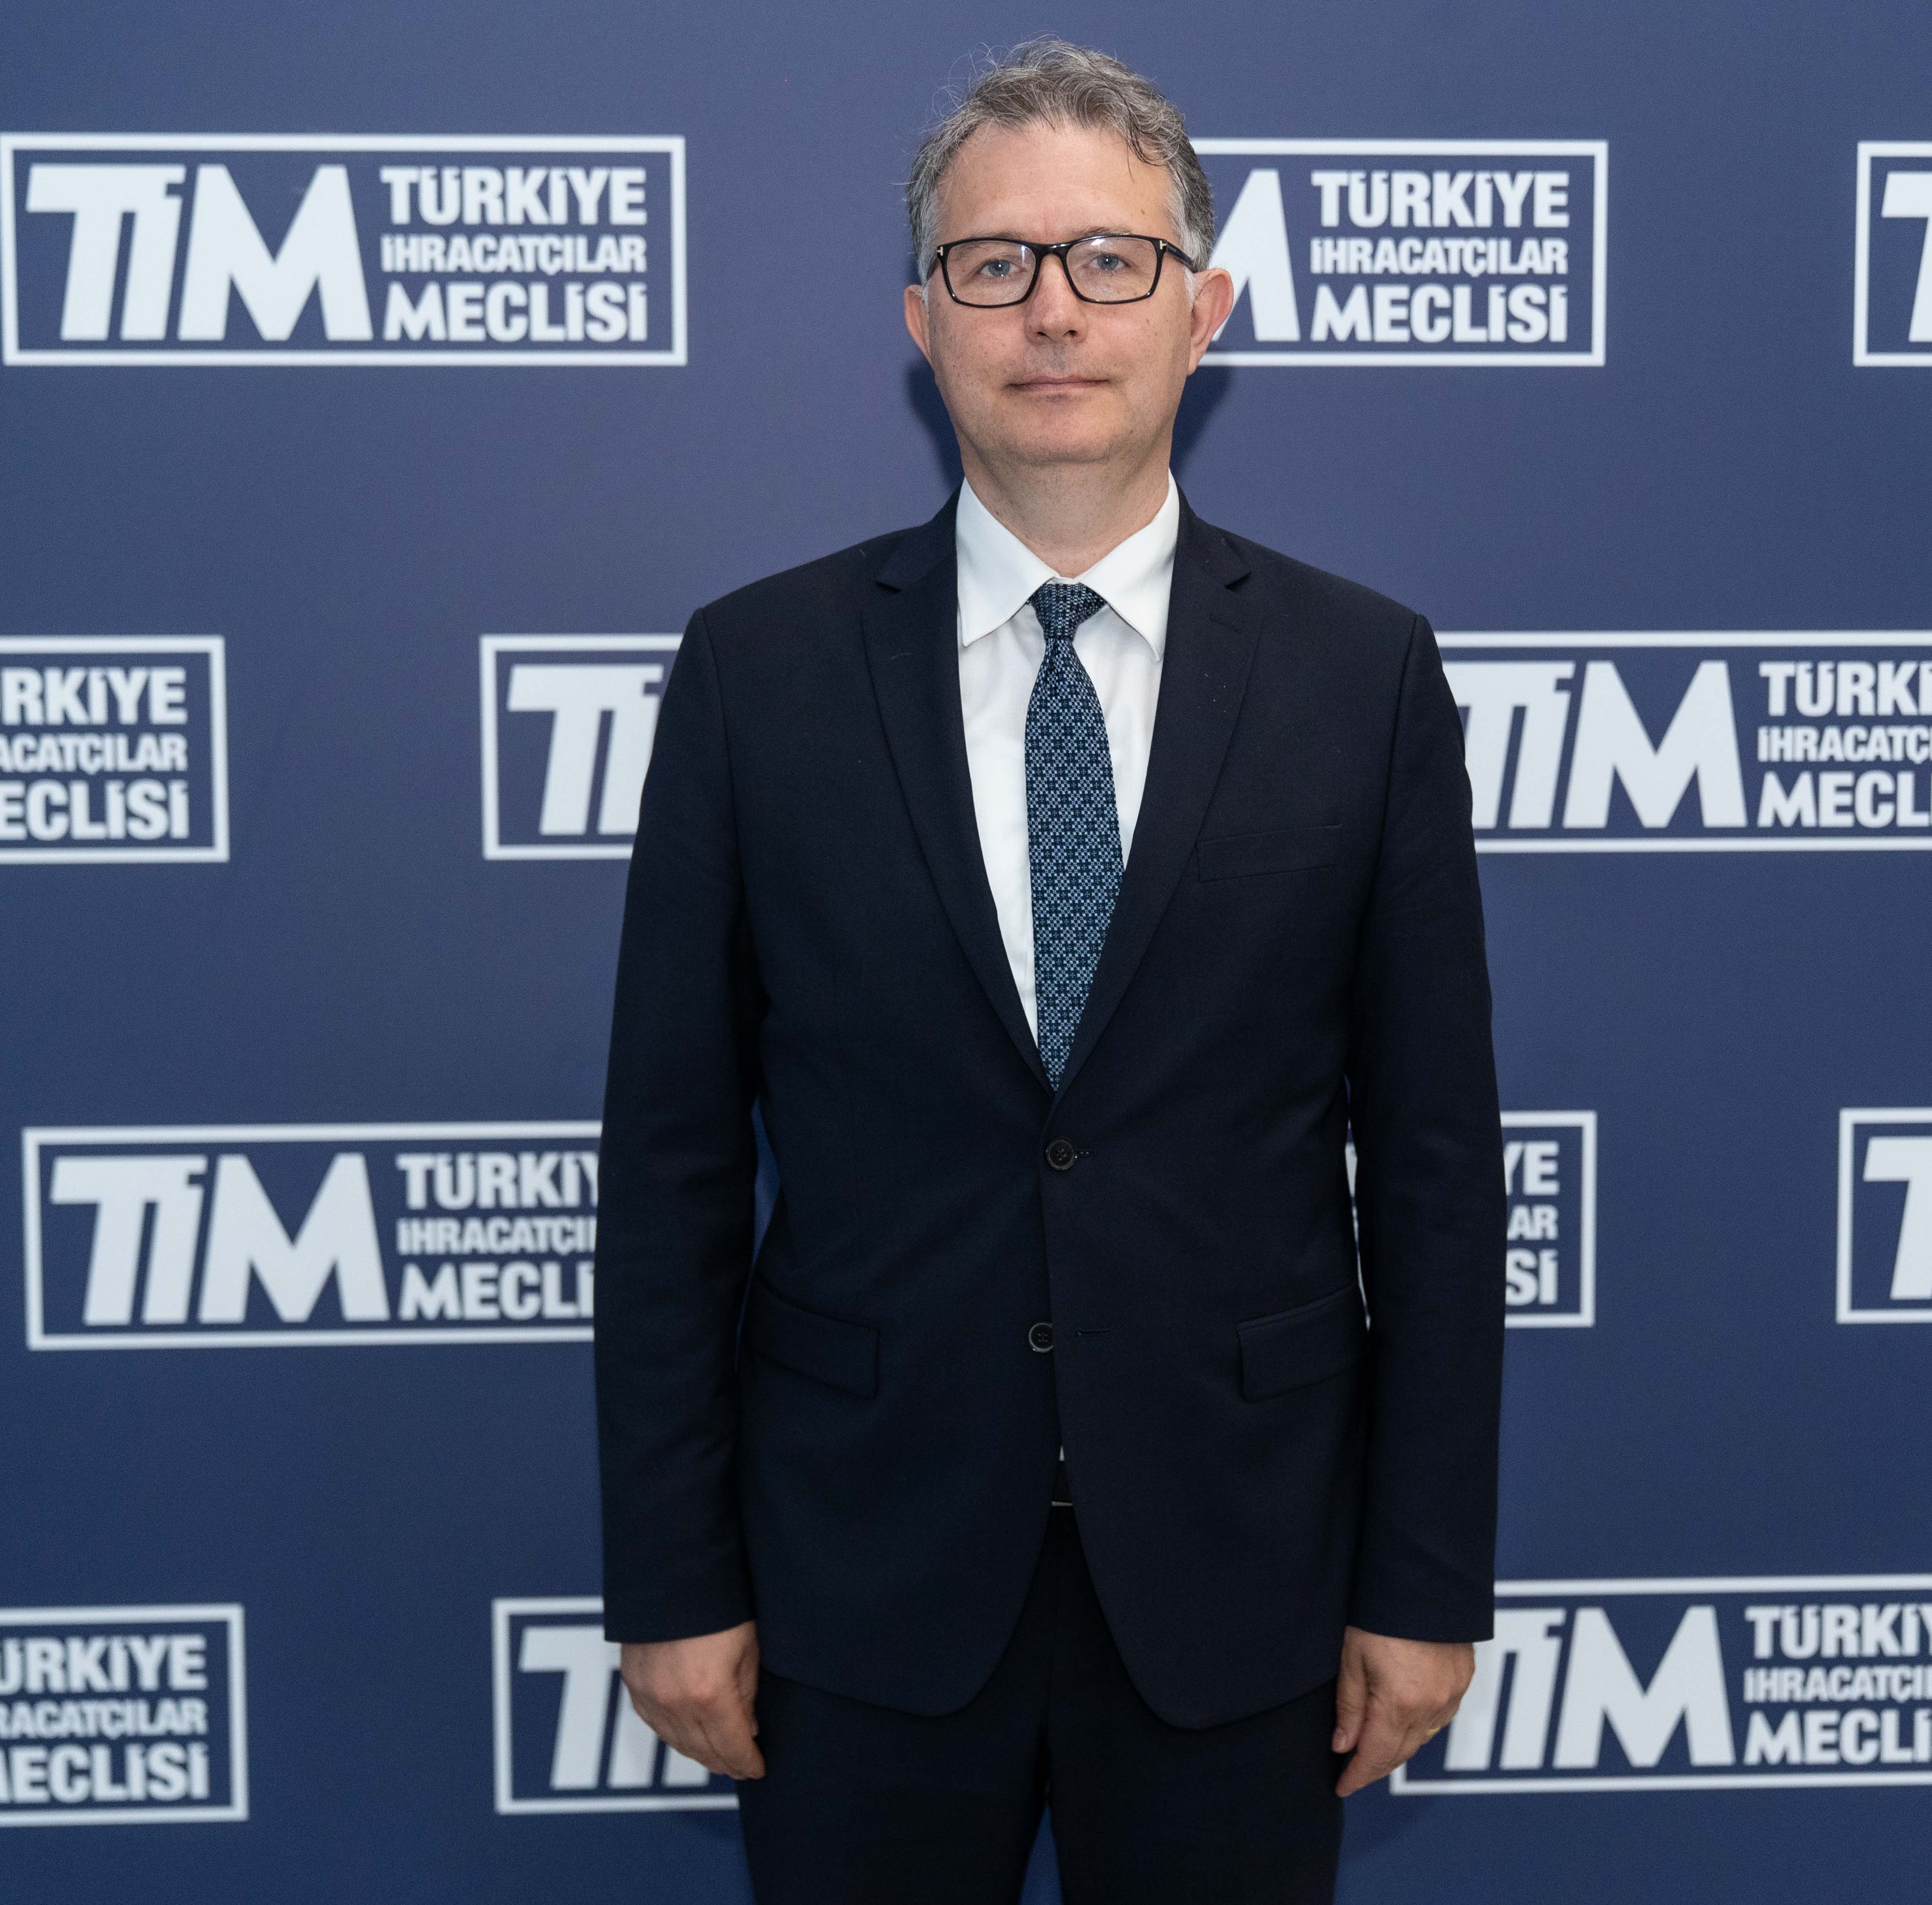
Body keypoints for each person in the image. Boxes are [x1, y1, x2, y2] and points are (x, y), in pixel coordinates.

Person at [593, 37, 1504, 1904]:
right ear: (922, 321)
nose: (1054, 312)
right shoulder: (756, 675)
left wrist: (1422, 1581)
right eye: (995, 263)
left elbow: (1433, 1170)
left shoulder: (1364, 679)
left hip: (1243, 1584)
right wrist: (673, 1577)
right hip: (856, 1579)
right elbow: (670, 1161)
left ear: (1203, 311)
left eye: (1111, 259)